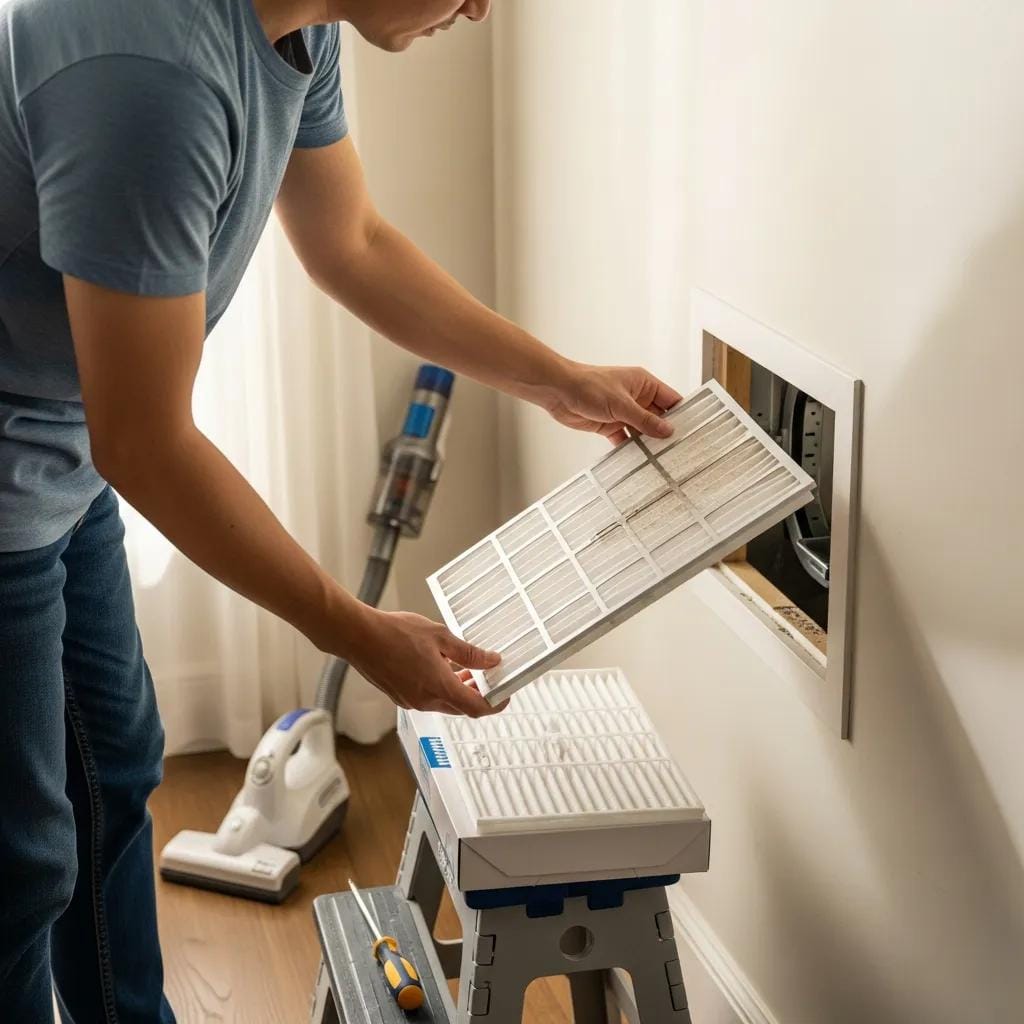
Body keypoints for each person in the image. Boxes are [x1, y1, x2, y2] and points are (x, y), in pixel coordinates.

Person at [0, 0, 682, 1018]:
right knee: (22, 857)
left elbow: (350, 241)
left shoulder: (298, 24)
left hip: (56, 446)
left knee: (113, 768)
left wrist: (561, 382)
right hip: (29, 466)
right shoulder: (149, 69)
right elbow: (145, 441)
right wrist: (356, 632)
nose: (480, 6)